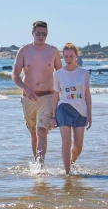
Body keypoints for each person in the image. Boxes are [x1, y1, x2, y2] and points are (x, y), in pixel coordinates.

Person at [12, 21, 62, 166]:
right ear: (32, 33)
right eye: (38, 33)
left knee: (42, 131)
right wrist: (27, 89)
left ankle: (40, 166)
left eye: (44, 34)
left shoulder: (52, 51)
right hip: (28, 98)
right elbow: (15, 75)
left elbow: (60, 75)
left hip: (47, 95)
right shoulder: (24, 51)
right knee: (33, 133)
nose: (41, 36)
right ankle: (36, 163)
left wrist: (61, 98)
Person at [54, 43, 92, 175]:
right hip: (63, 108)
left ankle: (72, 162)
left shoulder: (84, 73)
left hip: (80, 112)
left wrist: (89, 114)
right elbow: (55, 95)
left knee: (78, 146)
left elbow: (87, 95)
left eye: (71, 56)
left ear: (76, 56)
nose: (68, 58)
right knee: (66, 141)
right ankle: (67, 173)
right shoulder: (58, 74)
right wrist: (53, 115)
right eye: (65, 56)